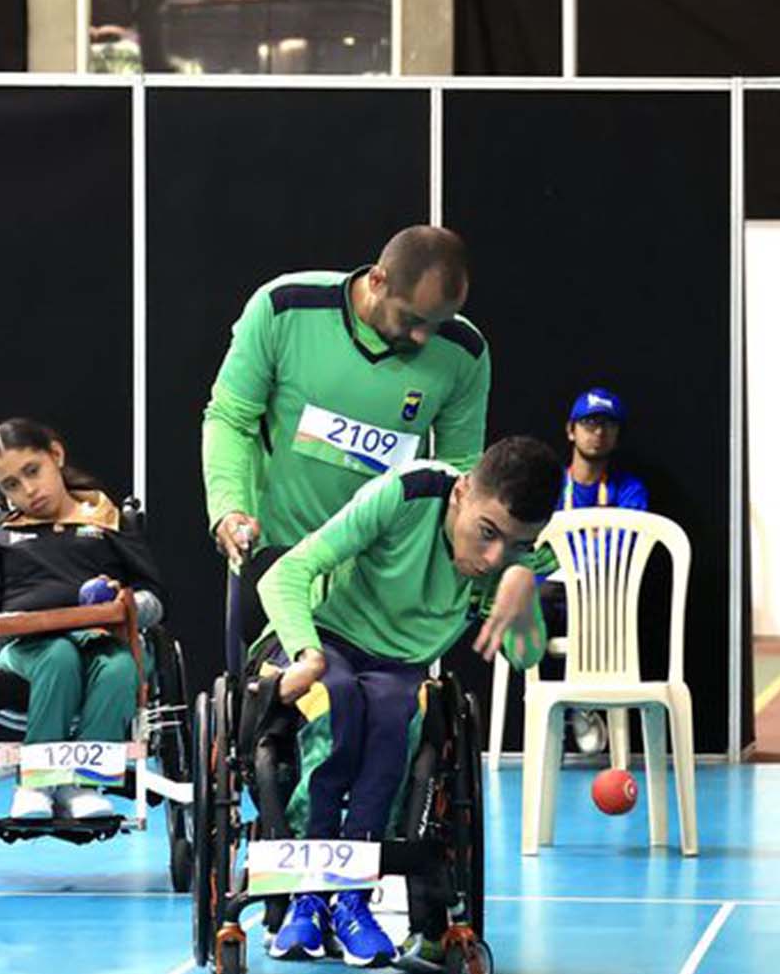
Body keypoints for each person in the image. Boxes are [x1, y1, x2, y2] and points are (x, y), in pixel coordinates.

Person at [256, 435, 564, 968]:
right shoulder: (407, 492)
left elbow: (524, 655)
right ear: (462, 493)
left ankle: (352, 901)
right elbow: (285, 572)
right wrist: (306, 655)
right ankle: (307, 897)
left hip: (399, 669)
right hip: (322, 639)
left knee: (398, 713)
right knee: (338, 699)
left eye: (514, 546)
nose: (493, 558)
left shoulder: (521, 557)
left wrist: (525, 586)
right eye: (487, 534)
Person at [202, 224, 540, 664]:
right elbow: (231, 418)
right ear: (377, 281)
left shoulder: (465, 352)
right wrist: (228, 507)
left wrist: (514, 572)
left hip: (381, 579)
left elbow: (463, 476)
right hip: (282, 553)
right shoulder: (284, 307)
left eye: (439, 324)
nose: (424, 337)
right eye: (413, 319)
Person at [0, 419, 165, 823]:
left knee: (122, 667)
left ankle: (81, 784)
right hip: (26, 652)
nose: (28, 491)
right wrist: (8, 624)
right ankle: (36, 785)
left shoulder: (107, 519)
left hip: (104, 641)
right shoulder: (1, 533)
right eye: (12, 485)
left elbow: (154, 601)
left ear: (56, 455)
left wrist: (123, 604)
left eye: (33, 471)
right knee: (58, 656)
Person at [545, 385, 651, 754]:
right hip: (551, 593)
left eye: (608, 425)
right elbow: (534, 545)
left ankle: (580, 705)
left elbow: (623, 549)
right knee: (528, 594)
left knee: (596, 596)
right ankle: (544, 712)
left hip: (599, 596)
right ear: (571, 430)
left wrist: (580, 575)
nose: (598, 432)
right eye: (590, 423)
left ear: (617, 435)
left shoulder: (629, 489)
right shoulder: (550, 485)